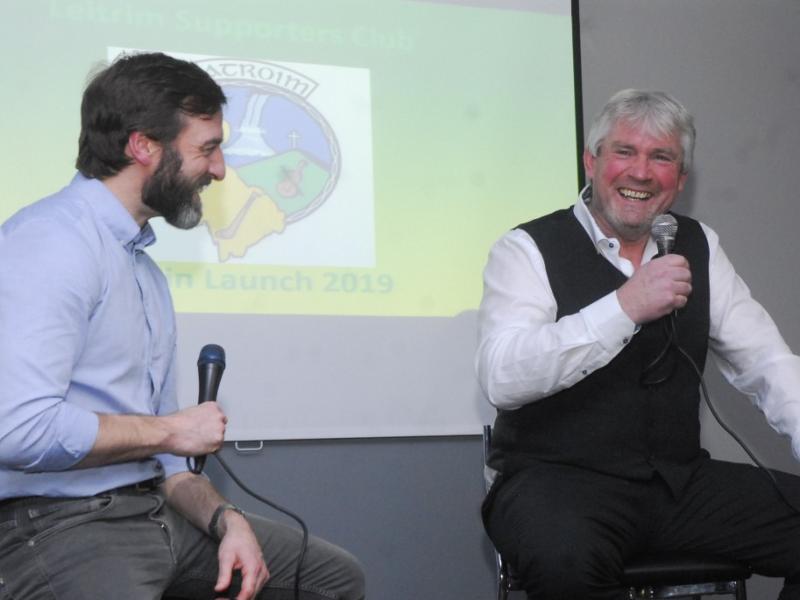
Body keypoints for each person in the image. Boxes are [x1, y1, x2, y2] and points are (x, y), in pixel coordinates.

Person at [0, 52, 364, 600]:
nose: (220, 171)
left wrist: (226, 520)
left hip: (151, 510)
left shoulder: (143, 272)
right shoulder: (51, 243)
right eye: (208, 149)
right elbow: (17, 429)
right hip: (59, 524)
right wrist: (170, 430)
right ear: (143, 146)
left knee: (332, 580)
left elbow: (170, 465)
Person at [476, 89, 800, 599]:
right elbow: (502, 377)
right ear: (591, 162)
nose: (641, 172)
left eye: (661, 157)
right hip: (556, 483)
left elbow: (767, 363)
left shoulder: (699, 245)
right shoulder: (525, 249)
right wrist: (624, 307)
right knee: (565, 562)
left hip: (677, 484)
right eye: (624, 152)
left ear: (681, 179)